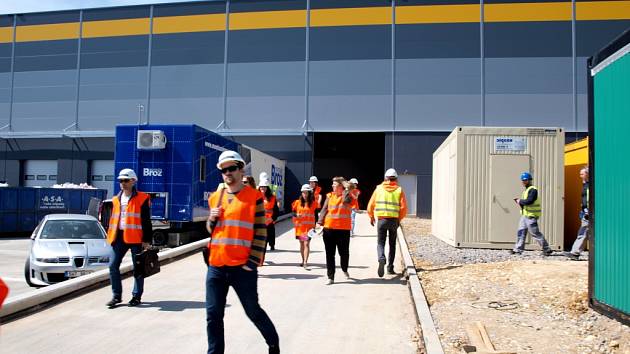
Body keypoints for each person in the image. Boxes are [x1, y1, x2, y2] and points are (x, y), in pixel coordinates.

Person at [205, 150, 279, 354]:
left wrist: (252, 263)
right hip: (216, 267)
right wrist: (211, 219)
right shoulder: (215, 197)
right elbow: (211, 231)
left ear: (241, 169)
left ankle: (273, 344)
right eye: (223, 169)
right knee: (213, 315)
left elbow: (261, 232)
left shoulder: (254, 197)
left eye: (231, 168)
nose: (227, 172)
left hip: (242, 268)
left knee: (253, 311)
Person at [106, 168, 152, 308]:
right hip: (118, 237)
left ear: (133, 181)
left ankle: (136, 296)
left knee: (138, 268)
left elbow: (146, 221)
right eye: (121, 180)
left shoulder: (143, 198)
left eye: (126, 180)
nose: (123, 183)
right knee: (113, 265)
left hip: (135, 238)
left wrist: (146, 240)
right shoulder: (115, 199)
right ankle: (116, 296)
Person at [367, 168, 407, 277]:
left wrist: (371, 216)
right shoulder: (399, 190)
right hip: (393, 221)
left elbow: (370, 205)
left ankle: (381, 257)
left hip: (381, 220)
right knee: (392, 244)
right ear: (396, 178)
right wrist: (399, 219)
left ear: (386, 178)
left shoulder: (378, 189)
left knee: (380, 242)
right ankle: (390, 268)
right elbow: (403, 208)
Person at [317, 176, 353, 285]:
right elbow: (324, 210)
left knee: (344, 253)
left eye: (335, 184)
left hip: (343, 230)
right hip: (329, 230)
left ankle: (344, 268)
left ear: (341, 187)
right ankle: (330, 277)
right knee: (330, 254)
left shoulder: (347, 196)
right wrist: (319, 222)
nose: (332, 186)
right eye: (332, 184)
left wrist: (346, 188)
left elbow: (347, 197)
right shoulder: (329, 196)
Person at [511, 172, 553, 256]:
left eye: (526, 180)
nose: (524, 182)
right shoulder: (526, 190)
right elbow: (525, 203)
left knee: (535, 233)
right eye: (523, 180)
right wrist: (520, 202)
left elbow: (530, 201)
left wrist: (520, 201)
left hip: (531, 216)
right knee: (521, 232)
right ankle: (518, 250)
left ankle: (547, 249)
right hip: (524, 215)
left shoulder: (533, 190)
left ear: (530, 180)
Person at [565, 166, 589, 260]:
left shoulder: (589, 185)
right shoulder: (585, 184)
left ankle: (575, 253)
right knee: (583, 232)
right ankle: (575, 252)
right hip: (586, 212)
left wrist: (586, 210)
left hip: (588, 213)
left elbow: (588, 199)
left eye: (582, 174)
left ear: (587, 174)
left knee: (583, 232)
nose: (580, 175)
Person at [292, 184, 317, 269]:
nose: (305, 194)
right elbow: (292, 213)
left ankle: (305, 262)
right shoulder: (297, 202)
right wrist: (296, 215)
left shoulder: (313, 203)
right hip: (300, 228)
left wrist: (316, 226)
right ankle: (303, 260)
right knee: (302, 244)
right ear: (301, 193)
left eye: (307, 193)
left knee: (306, 244)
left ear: (310, 193)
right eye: (303, 193)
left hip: (309, 228)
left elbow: (316, 215)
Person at [259, 180, 279, 251]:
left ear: (267, 188)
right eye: (261, 187)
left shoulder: (272, 197)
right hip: (260, 220)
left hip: (270, 220)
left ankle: (272, 245)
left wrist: (273, 218)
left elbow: (276, 210)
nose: (263, 189)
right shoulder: (256, 197)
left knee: (271, 234)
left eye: (264, 187)